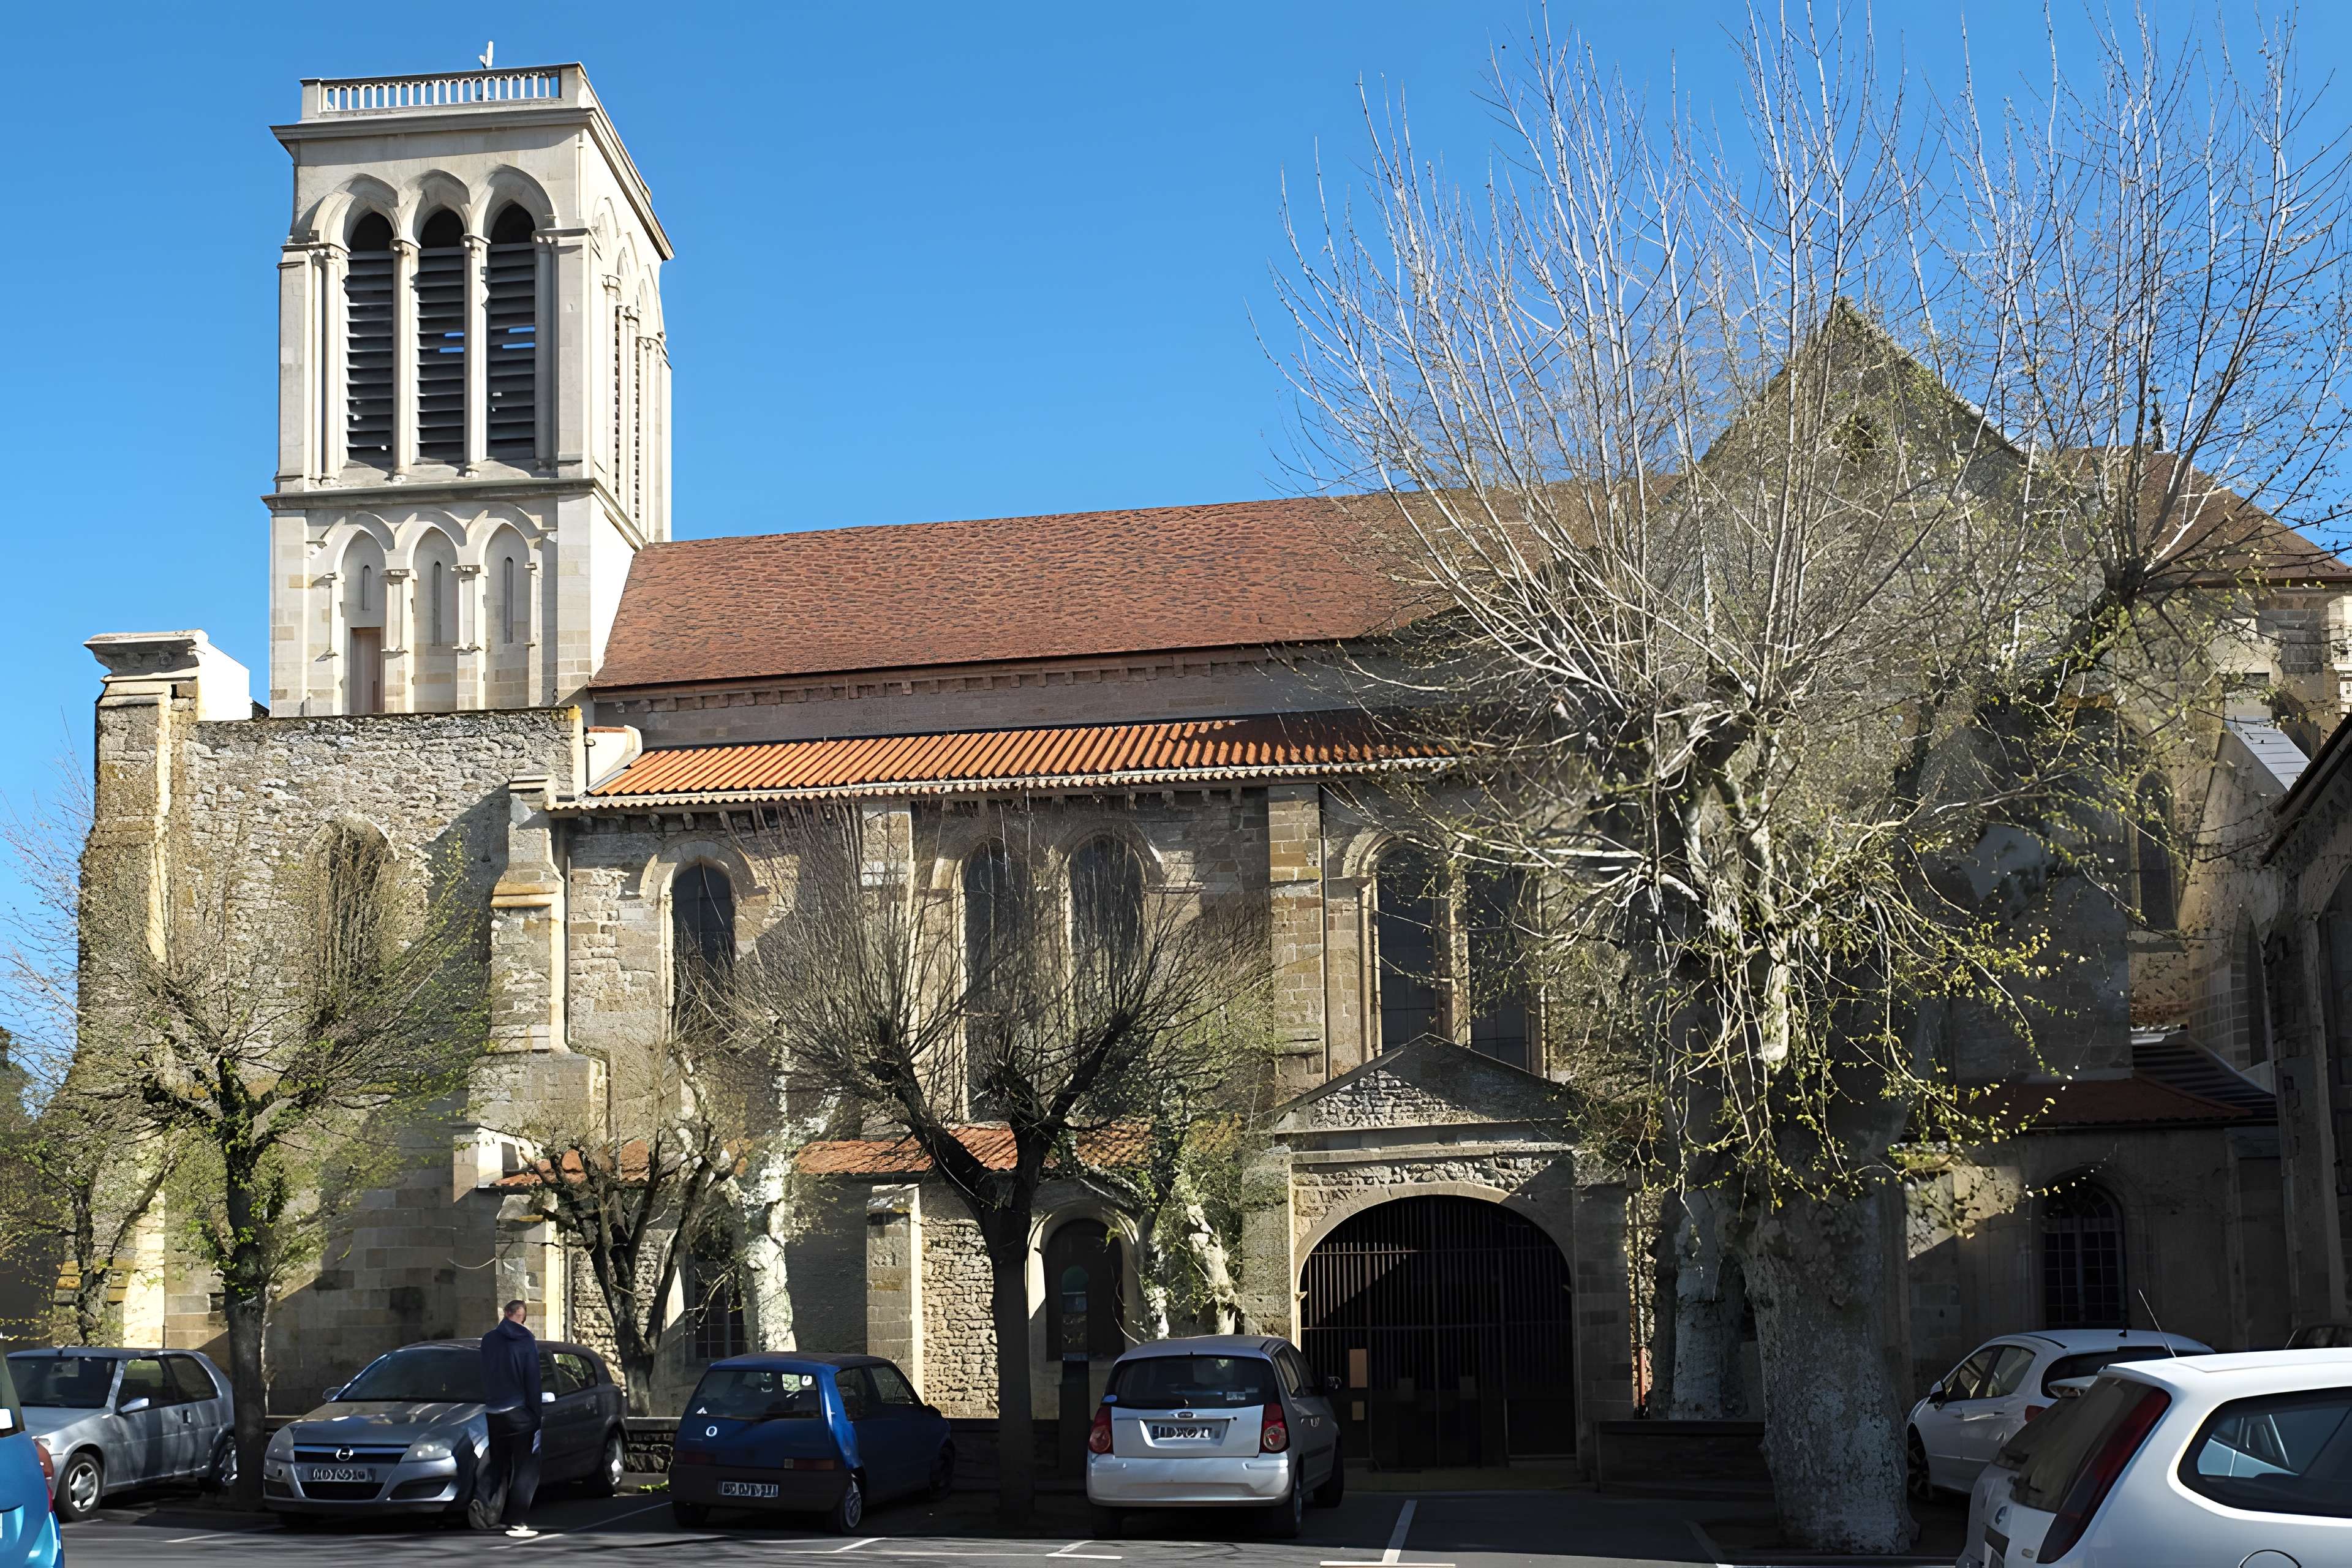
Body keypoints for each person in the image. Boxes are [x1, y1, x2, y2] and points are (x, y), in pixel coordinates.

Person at [480, 1298, 543, 1539]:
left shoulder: (488, 1340)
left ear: (505, 1313)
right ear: (522, 1317)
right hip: (519, 1411)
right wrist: (536, 1414)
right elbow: (532, 1378)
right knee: (526, 1466)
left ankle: (485, 1504)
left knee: (498, 1463)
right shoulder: (526, 1340)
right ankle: (516, 1520)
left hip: (494, 1411)